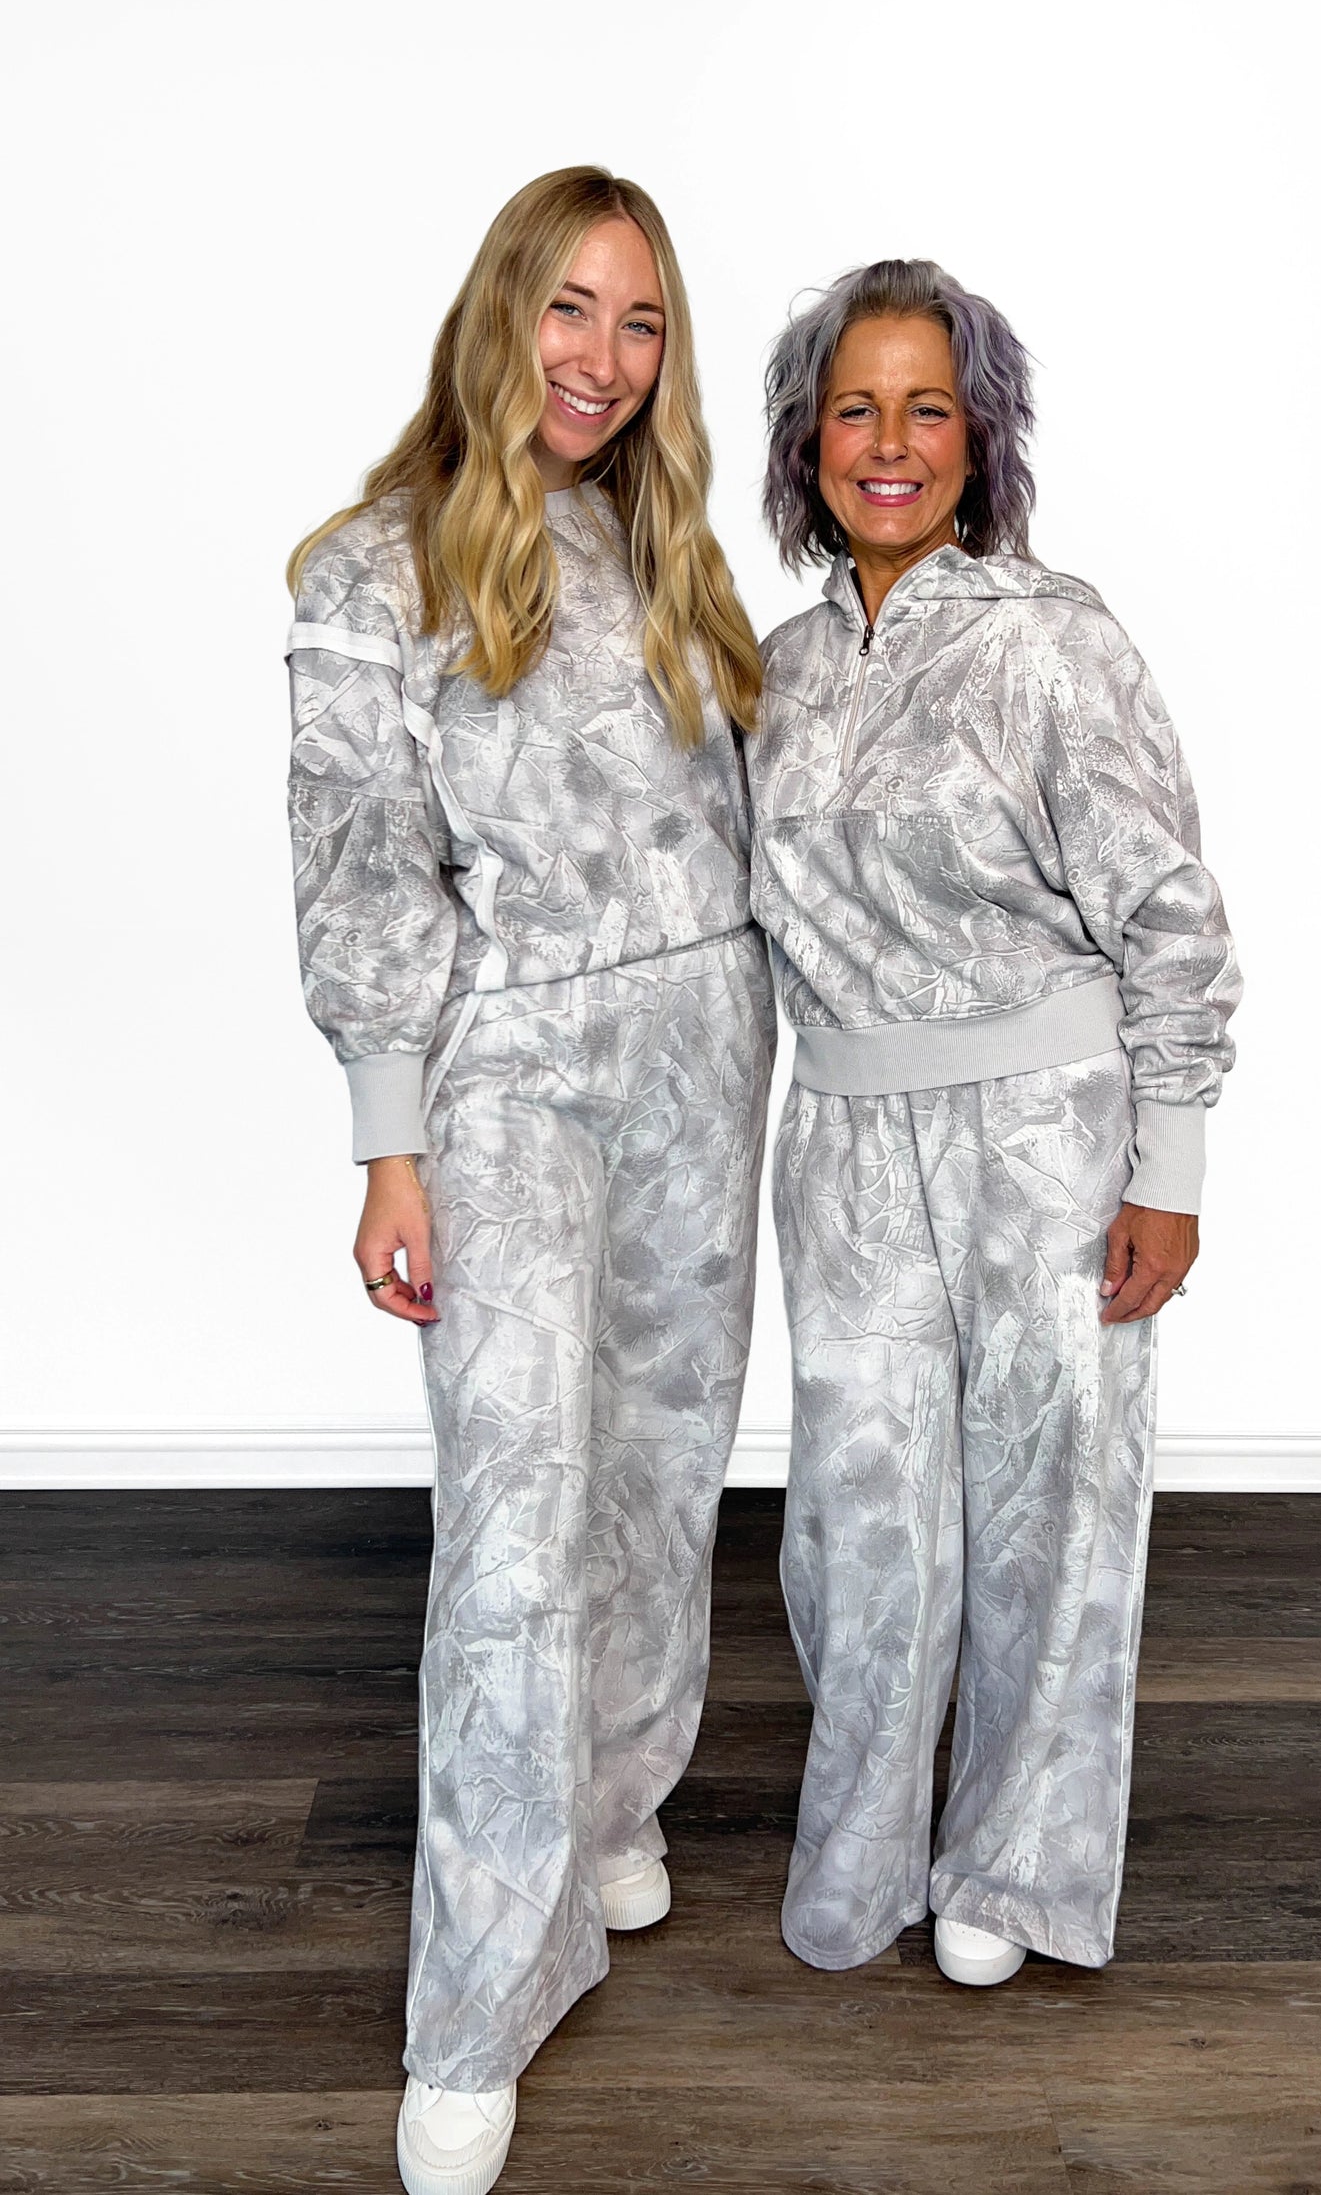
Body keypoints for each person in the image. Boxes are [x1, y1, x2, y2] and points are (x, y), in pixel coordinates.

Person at [285, 166, 774, 2194]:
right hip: (514, 1069)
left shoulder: (666, 544)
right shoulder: (370, 567)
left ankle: (610, 1807)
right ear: (503, 311)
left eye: (642, 322)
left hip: (708, 1043)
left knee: (663, 1466)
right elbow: (357, 859)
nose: (604, 358)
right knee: (514, 1518)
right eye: (572, 308)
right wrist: (388, 1139)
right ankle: (476, 2002)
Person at [748, 259, 1241, 1991]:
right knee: (862, 1516)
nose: (889, 444)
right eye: (855, 408)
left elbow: (1170, 916)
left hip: (1048, 1136)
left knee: (1052, 1509)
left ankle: (1014, 1868)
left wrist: (1167, 1166)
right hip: (847, 1147)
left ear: (982, 438)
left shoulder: (1055, 639)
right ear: (807, 441)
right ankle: (866, 1844)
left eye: (927, 408)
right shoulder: (771, 674)